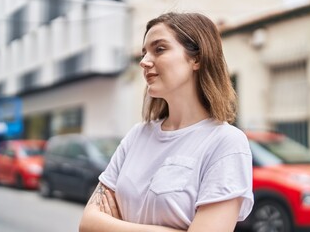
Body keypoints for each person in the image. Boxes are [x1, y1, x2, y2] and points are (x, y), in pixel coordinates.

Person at [79, 12, 253, 232]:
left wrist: (113, 226)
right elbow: (87, 224)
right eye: (144, 53)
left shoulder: (226, 142)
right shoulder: (137, 135)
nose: (144, 62)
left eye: (159, 49)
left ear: (197, 58)